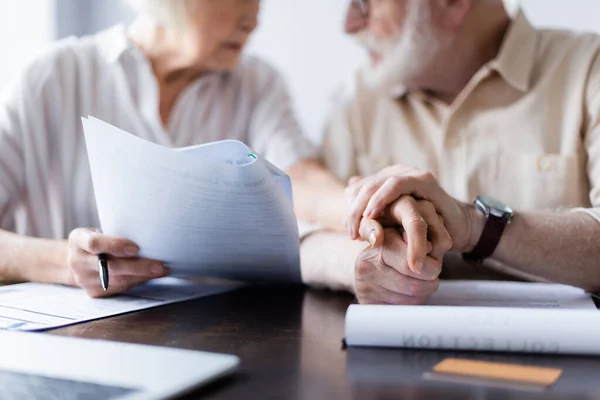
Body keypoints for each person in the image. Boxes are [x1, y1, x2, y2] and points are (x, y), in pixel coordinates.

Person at [0, 0, 337, 298]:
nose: (253, 19)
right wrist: (63, 262)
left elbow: (301, 177)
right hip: (65, 339)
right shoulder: (54, 77)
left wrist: (361, 203)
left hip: (216, 332)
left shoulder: (258, 84)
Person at [301, 0, 600, 304]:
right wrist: (354, 263)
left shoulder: (590, 69)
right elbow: (301, 232)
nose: (349, 25)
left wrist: (475, 227)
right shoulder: (357, 99)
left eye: (364, 3)